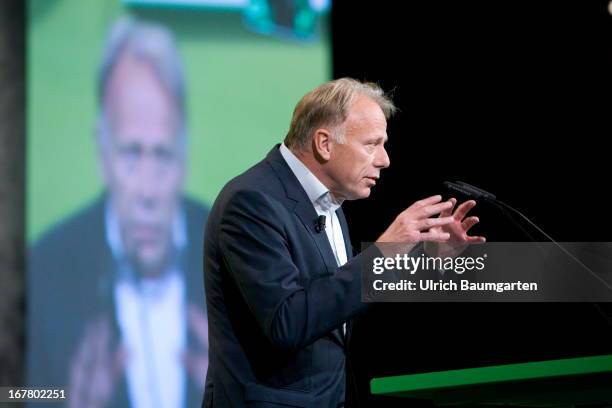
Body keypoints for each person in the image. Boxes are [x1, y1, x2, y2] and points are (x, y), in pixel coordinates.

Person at [202, 78, 484, 407]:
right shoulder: (252, 202)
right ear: (324, 143)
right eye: (371, 144)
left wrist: (419, 258)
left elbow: (337, 304)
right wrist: (384, 252)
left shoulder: (329, 205)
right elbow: (286, 322)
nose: (384, 160)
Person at [28, 17, 209, 408]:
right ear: (102, 152)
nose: (147, 190)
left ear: (184, 155)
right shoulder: (42, 268)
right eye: (131, 154)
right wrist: (64, 399)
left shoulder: (233, 251)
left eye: (162, 155)